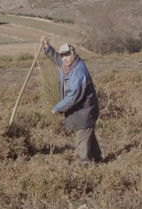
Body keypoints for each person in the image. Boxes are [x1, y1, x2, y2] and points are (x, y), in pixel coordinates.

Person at [41, 37, 102, 165]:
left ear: (73, 53)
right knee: (88, 135)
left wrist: (57, 108)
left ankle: (85, 165)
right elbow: (57, 59)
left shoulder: (78, 71)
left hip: (86, 110)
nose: (64, 58)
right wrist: (47, 47)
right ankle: (98, 159)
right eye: (62, 55)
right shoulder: (67, 64)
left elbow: (73, 96)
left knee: (81, 139)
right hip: (82, 109)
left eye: (67, 55)